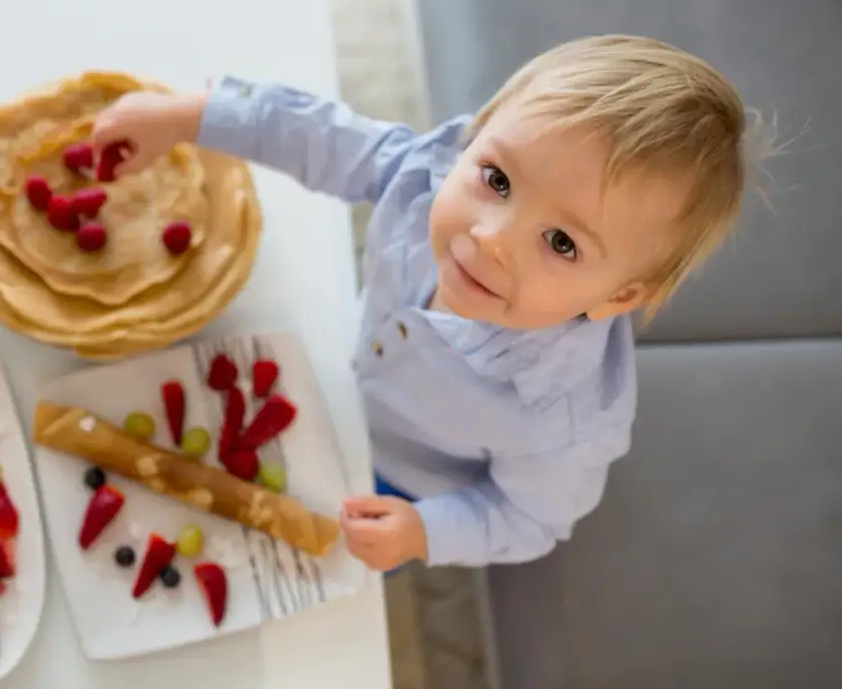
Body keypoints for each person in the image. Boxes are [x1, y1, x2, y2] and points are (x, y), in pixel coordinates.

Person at [91, 35, 764, 572]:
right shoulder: (424, 176)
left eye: (561, 242)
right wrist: (196, 115)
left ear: (620, 296)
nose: (489, 238)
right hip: (338, 358)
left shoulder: (560, 422)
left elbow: (532, 519)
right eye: (497, 178)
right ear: (475, 136)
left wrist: (424, 532)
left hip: (406, 480)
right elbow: (324, 136)